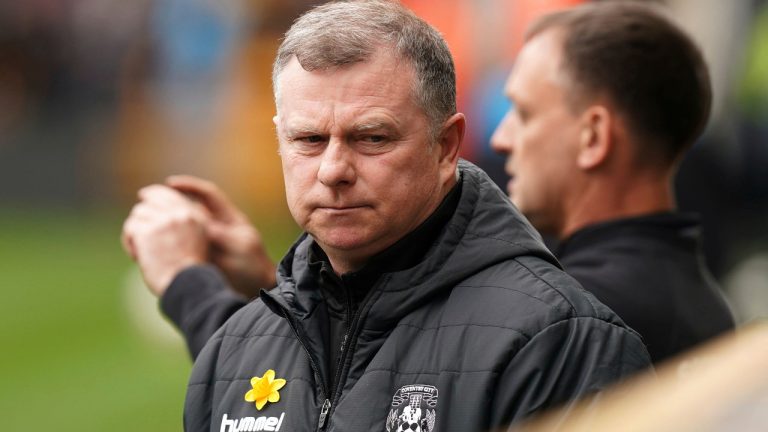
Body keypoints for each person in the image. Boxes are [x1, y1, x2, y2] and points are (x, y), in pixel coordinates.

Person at [122, 1, 650, 430]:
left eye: (371, 138)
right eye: (308, 139)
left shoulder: (559, 340)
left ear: (446, 147)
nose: (333, 169)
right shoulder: (234, 351)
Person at [489, 2, 735, 364]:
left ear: (593, 137)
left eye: (524, 114)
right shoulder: (710, 309)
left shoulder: (566, 316)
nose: (500, 139)